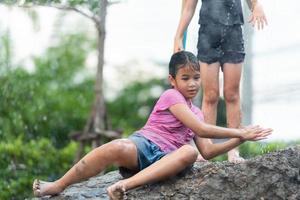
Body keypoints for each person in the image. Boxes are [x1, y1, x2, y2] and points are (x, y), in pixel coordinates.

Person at [32, 51, 272, 200]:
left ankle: (123, 186)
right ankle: (58, 185)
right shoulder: (171, 97)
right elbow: (201, 129)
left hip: (164, 161)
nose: (192, 84)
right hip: (142, 147)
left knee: (190, 152)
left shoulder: (196, 111)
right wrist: (239, 130)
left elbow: (207, 151)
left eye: (196, 78)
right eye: (185, 78)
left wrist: (240, 139)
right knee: (116, 146)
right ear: (173, 80)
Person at [173, 0, 268, 163]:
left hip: (233, 33)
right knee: (210, 95)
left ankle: (233, 150)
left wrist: (256, 6)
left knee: (232, 94)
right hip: (208, 36)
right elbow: (188, 8)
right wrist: (178, 36)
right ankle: (206, 148)